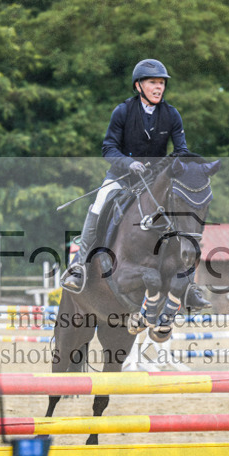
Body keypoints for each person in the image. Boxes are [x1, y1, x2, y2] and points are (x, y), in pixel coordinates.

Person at [61, 58, 212, 310]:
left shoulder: (172, 114)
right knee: (100, 202)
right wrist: (127, 164)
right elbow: (108, 148)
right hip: (122, 177)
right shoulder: (123, 111)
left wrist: (163, 167)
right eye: (153, 82)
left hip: (155, 181)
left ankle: (189, 283)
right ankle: (80, 264)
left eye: (161, 83)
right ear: (138, 85)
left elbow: (181, 150)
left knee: (183, 212)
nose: (158, 87)